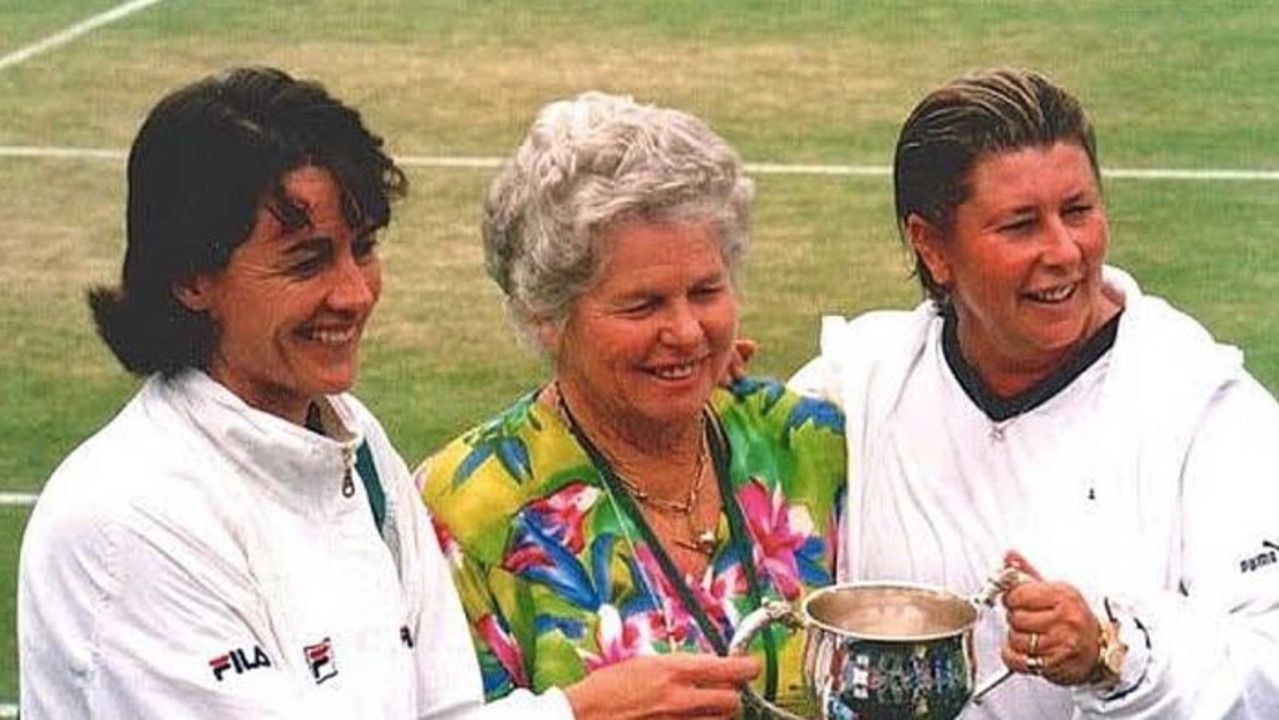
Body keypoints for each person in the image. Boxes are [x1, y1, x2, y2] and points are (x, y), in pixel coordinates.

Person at [17, 66, 574, 720]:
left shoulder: (356, 444)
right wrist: (572, 715)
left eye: (361, 248)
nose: (354, 293)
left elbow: (445, 709)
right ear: (191, 279)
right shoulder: (125, 519)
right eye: (307, 262)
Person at [791, 67, 1279, 718]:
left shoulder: (1207, 410)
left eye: (1077, 211)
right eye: (1020, 225)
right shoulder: (857, 383)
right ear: (932, 246)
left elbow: (1267, 668)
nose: (1064, 251)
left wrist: (1114, 654)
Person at [416, 91, 847, 718]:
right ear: (547, 313)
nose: (688, 332)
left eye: (706, 291)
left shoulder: (810, 445)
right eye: (643, 305)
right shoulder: (470, 509)